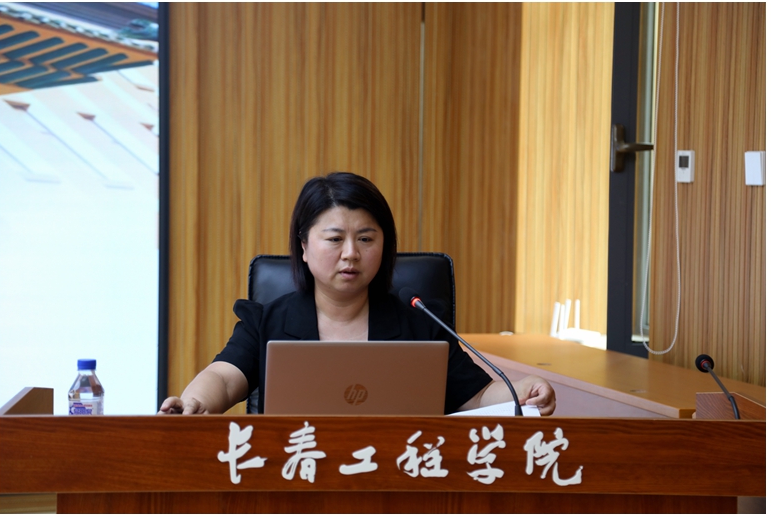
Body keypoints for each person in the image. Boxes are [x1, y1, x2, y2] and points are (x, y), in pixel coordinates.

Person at [159, 172, 555, 415]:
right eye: (335, 239)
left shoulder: (418, 322)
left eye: (366, 238)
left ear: (385, 245)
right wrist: (195, 402)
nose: (351, 253)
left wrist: (520, 391)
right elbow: (224, 378)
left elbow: (478, 396)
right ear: (303, 246)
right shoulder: (267, 321)